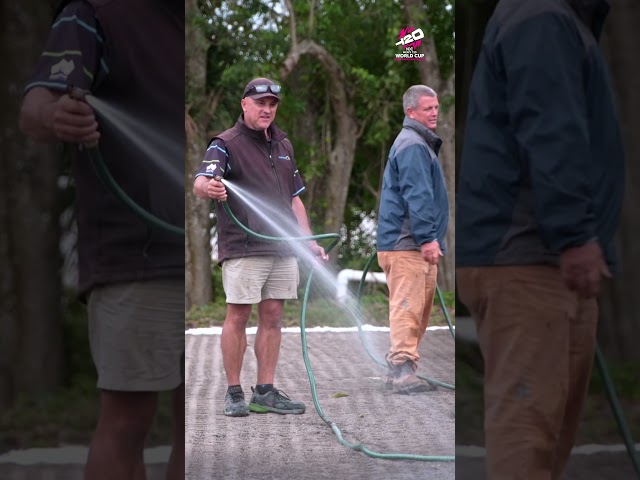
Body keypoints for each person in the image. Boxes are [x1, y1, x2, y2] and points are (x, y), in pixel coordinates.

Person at [456, 0, 624, 478]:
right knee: (528, 439)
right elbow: (550, 126)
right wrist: (574, 235)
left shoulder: (563, 18)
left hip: (545, 257)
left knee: (547, 444)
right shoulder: (540, 14)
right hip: (527, 258)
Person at [19, 1, 185, 479]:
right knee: (129, 418)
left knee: (192, 419)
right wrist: (58, 116)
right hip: (135, 254)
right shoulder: (97, 14)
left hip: (194, 258)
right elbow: (34, 109)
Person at [193, 77, 328, 417]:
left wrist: (307, 240)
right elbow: (199, 183)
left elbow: (295, 200)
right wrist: (211, 187)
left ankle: (265, 391)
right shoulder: (225, 143)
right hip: (244, 245)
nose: (267, 109)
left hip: (283, 248)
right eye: (260, 103)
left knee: (274, 316)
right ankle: (234, 393)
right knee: (238, 315)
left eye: (272, 104)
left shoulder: (283, 144)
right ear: (244, 104)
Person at [376, 85, 449, 395]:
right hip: (408, 244)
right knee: (408, 306)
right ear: (411, 112)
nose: (434, 112)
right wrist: (428, 238)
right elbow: (417, 195)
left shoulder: (418, 143)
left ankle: (399, 369)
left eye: (436, 107)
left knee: (418, 308)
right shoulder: (413, 145)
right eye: (427, 108)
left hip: (413, 244)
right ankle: (404, 371)